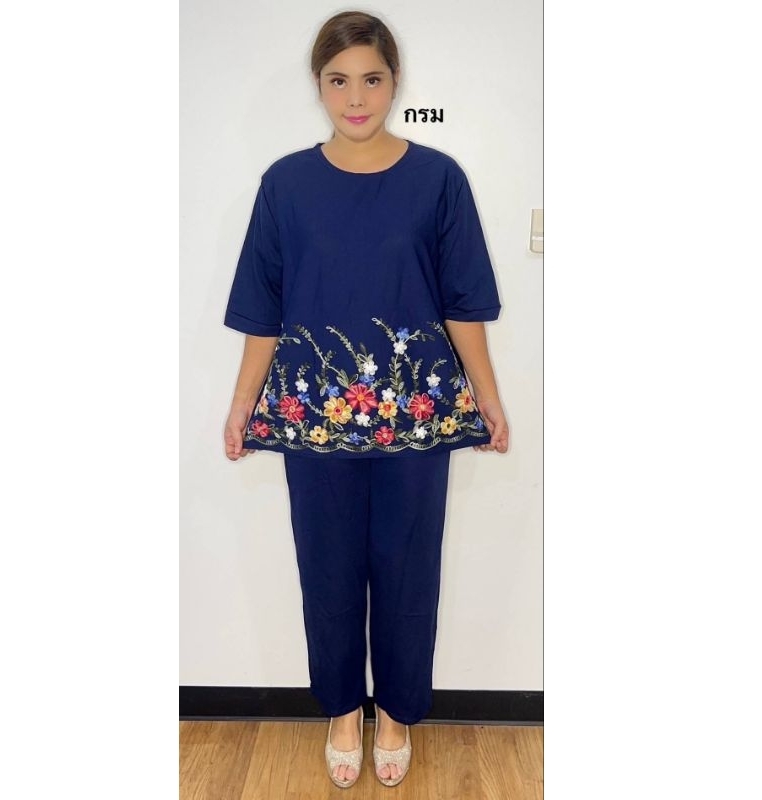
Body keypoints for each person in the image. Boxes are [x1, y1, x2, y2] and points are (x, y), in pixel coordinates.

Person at [222, 10, 509, 789]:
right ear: (319, 86)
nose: (356, 98)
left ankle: (398, 715)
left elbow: (463, 305)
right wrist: (242, 405)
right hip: (314, 421)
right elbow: (263, 311)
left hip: (417, 418)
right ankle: (344, 711)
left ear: (395, 82)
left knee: (408, 570)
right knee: (329, 571)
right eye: (339, 80)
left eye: (372, 79)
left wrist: (488, 399)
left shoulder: (439, 179)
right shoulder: (285, 184)